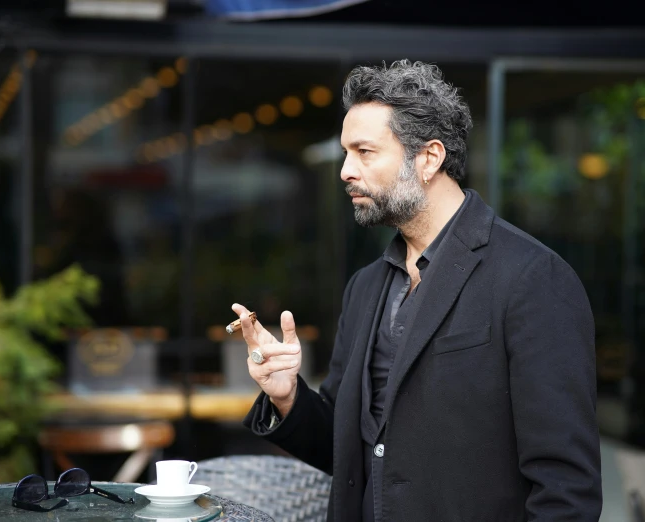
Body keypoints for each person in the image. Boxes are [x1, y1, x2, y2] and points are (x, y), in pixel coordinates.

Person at [231, 60, 602, 521]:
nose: (345, 170)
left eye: (364, 152)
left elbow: (566, 490)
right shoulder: (365, 287)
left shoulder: (532, 278)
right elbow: (351, 454)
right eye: (346, 152)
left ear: (429, 158)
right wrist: (287, 396)